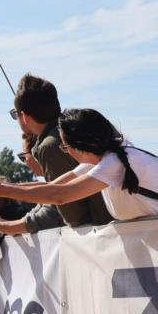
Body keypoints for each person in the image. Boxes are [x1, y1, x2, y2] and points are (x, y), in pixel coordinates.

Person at [0, 108, 158, 221]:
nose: (66, 151)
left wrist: (0, 190)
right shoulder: (107, 157)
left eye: (64, 146)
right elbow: (53, 187)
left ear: (77, 145)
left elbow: (60, 196)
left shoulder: (114, 162)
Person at [9, 73, 111, 227]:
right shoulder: (81, 123)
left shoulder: (50, 147)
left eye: (15, 113)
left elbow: (72, 213)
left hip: (105, 235)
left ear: (24, 116)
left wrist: (1, 226)